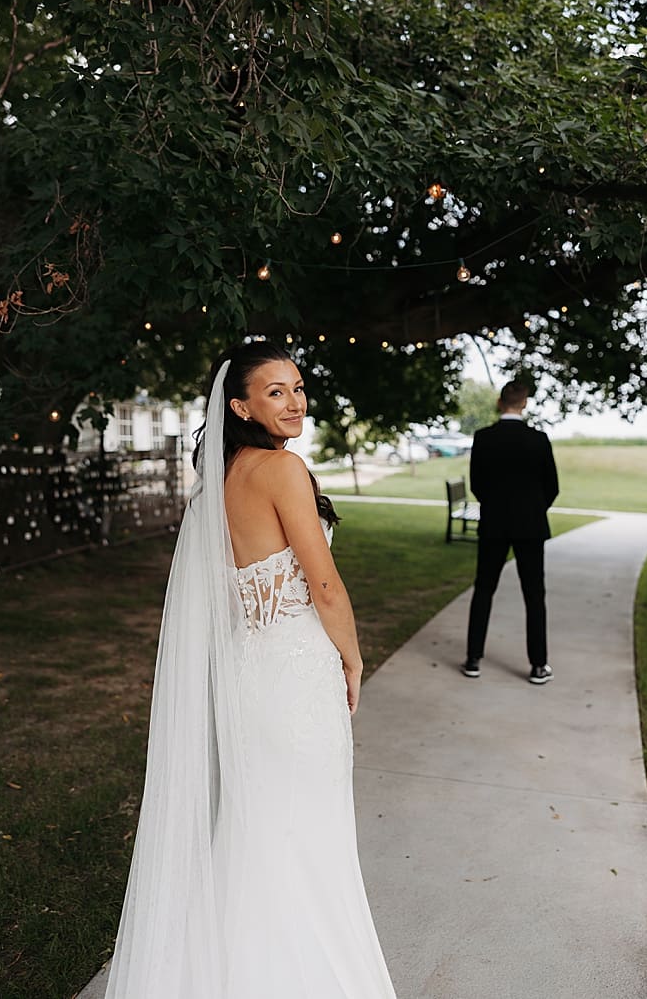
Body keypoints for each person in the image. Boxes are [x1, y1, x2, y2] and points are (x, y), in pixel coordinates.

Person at [105, 340, 397, 998]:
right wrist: (351, 658)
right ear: (240, 405)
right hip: (294, 673)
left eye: (297, 387)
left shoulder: (227, 475)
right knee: (306, 829)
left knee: (257, 825)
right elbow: (323, 586)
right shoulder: (281, 469)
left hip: (250, 670)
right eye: (275, 391)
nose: (294, 401)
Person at [460, 379, 560, 684]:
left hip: (494, 524)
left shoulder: (484, 438)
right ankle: (539, 665)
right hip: (530, 527)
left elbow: (477, 484)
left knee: (484, 590)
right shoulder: (539, 439)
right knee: (534, 595)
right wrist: (531, 511)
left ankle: (473, 659)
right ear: (525, 403)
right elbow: (552, 487)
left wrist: (498, 507)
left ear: (502, 402)